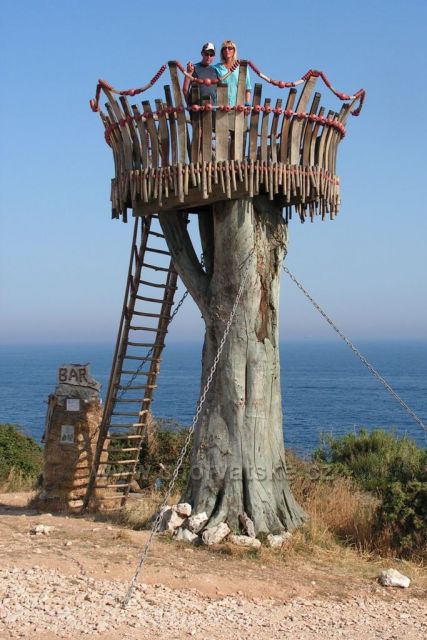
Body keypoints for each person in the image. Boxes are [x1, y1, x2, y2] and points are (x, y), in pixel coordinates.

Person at [214, 40, 251, 106]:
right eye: (224, 48)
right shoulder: (216, 67)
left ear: (234, 51)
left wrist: (247, 104)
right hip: (221, 106)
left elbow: (247, 88)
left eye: (230, 48)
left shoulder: (242, 67)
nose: (227, 50)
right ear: (222, 52)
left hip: (238, 106)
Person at [183, 42, 219, 106]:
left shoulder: (215, 70)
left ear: (214, 56)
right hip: (197, 108)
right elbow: (185, 89)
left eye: (211, 55)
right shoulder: (193, 68)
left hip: (212, 108)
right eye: (207, 54)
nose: (209, 57)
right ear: (202, 53)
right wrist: (189, 105)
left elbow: (217, 91)